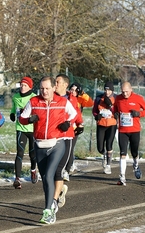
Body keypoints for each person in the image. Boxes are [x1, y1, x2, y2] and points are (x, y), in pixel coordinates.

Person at [19, 76, 77, 224]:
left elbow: (74, 114)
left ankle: (48, 211)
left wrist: (67, 124)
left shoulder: (62, 102)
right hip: (39, 144)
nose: (44, 91)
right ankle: (51, 205)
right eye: (42, 88)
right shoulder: (34, 102)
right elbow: (22, 118)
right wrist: (29, 120)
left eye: (47, 88)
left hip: (57, 144)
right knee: (45, 179)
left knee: (49, 175)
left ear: (53, 88)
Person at [53, 74, 83, 211]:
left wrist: (79, 124)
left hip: (67, 136)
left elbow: (76, 114)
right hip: (52, 136)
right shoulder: (51, 97)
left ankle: (53, 200)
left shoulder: (72, 99)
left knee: (59, 168)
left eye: (57, 82)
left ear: (65, 85)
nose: (55, 84)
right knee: (50, 170)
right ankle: (59, 190)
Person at [113, 81, 145, 186]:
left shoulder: (138, 98)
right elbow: (115, 109)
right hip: (122, 130)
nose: (124, 94)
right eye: (123, 92)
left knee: (134, 152)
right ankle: (122, 177)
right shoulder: (118, 98)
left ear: (131, 90)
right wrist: (115, 114)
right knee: (122, 153)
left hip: (135, 130)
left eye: (126, 92)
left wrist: (139, 113)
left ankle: (136, 165)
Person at [10, 76, 37, 189]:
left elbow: (38, 112)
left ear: (30, 87)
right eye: (21, 85)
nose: (22, 87)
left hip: (32, 129)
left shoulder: (34, 97)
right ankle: (17, 179)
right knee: (19, 153)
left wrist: (33, 118)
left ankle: (33, 170)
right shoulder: (15, 97)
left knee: (32, 154)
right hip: (20, 128)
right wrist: (12, 114)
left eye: (25, 85)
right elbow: (13, 108)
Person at [68, 82, 93, 173]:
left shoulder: (80, 99)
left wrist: (83, 94)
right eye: (72, 89)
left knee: (70, 146)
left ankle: (70, 164)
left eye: (75, 90)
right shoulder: (66, 97)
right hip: (66, 124)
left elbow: (90, 103)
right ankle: (69, 163)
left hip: (75, 125)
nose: (73, 92)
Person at [92, 81, 117, 174]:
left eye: (109, 90)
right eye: (106, 90)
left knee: (109, 144)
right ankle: (104, 155)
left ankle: (108, 165)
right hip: (101, 124)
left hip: (112, 124)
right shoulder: (99, 98)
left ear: (112, 91)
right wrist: (96, 116)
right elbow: (94, 110)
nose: (107, 92)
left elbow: (117, 111)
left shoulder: (116, 98)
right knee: (100, 147)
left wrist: (110, 105)